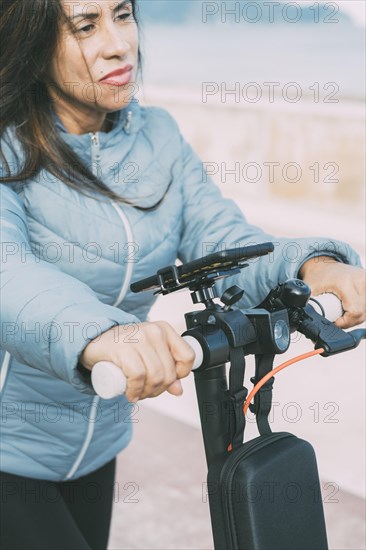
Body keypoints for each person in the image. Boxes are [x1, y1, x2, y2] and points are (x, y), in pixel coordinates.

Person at [0, 1, 365, 548]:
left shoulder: (158, 137)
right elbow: (12, 275)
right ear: (31, 42)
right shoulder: (9, 145)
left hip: (97, 443)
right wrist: (106, 335)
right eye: (85, 26)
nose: (119, 43)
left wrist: (314, 266)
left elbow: (219, 238)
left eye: (122, 15)